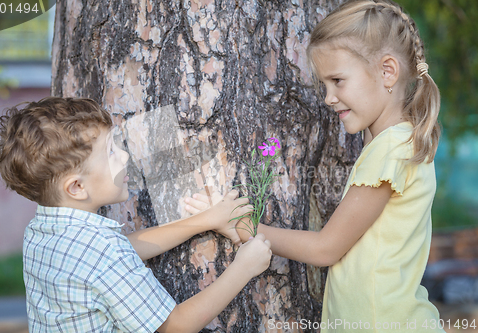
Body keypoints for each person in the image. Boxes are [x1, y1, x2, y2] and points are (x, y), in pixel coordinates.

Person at [185, 0, 445, 331]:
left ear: (387, 71)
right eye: (324, 85)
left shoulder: (391, 149)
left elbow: (325, 249)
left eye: (338, 80)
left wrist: (244, 227)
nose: (328, 97)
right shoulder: (394, 142)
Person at [0, 97, 272, 333]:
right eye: (110, 152)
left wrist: (206, 220)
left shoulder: (41, 230)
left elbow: (124, 248)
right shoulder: (102, 250)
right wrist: (243, 267)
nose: (124, 157)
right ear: (76, 186)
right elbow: (174, 326)